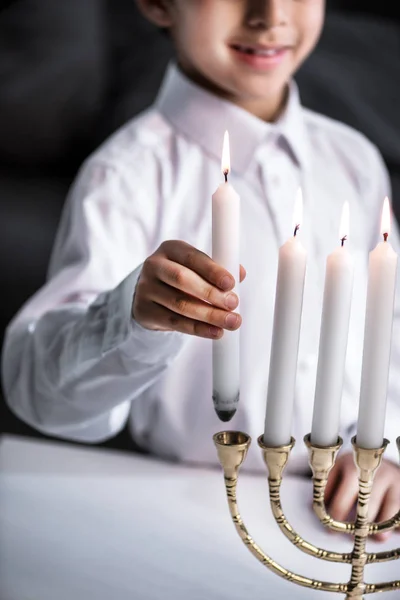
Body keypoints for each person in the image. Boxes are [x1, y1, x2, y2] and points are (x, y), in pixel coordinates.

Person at [2, 0, 400, 540]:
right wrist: (132, 317)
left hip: (346, 516)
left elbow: (388, 333)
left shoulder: (353, 159)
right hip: (195, 514)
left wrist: (384, 446)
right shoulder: (126, 174)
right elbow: (41, 394)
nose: (270, 15)